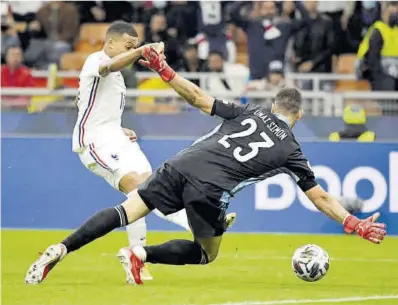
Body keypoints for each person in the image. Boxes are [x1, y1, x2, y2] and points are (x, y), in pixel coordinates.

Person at [25, 45, 387, 286]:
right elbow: (320, 196)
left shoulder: (248, 110)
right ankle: (140, 254)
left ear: (273, 104)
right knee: (205, 253)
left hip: (180, 164)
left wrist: (165, 71)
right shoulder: (291, 150)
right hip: (210, 190)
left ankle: (61, 248)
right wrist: (352, 222)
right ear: (299, 115)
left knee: (126, 211)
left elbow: (197, 97)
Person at [25, 21, 200, 285]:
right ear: (110, 43)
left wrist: (119, 128)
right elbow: (107, 68)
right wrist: (143, 51)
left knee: (145, 193)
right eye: (129, 46)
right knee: (144, 190)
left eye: (134, 46)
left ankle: (136, 261)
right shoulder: (97, 59)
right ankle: (196, 223)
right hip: (95, 143)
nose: (132, 50)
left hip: (116, 139)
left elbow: (88, 103)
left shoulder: (117, 77)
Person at [357, 1, 398, 92]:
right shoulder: (378, 30)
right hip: (380, 77)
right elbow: (372, 61)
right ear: (384, 13)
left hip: (394, 73)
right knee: (388, 83)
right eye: (392, 14)